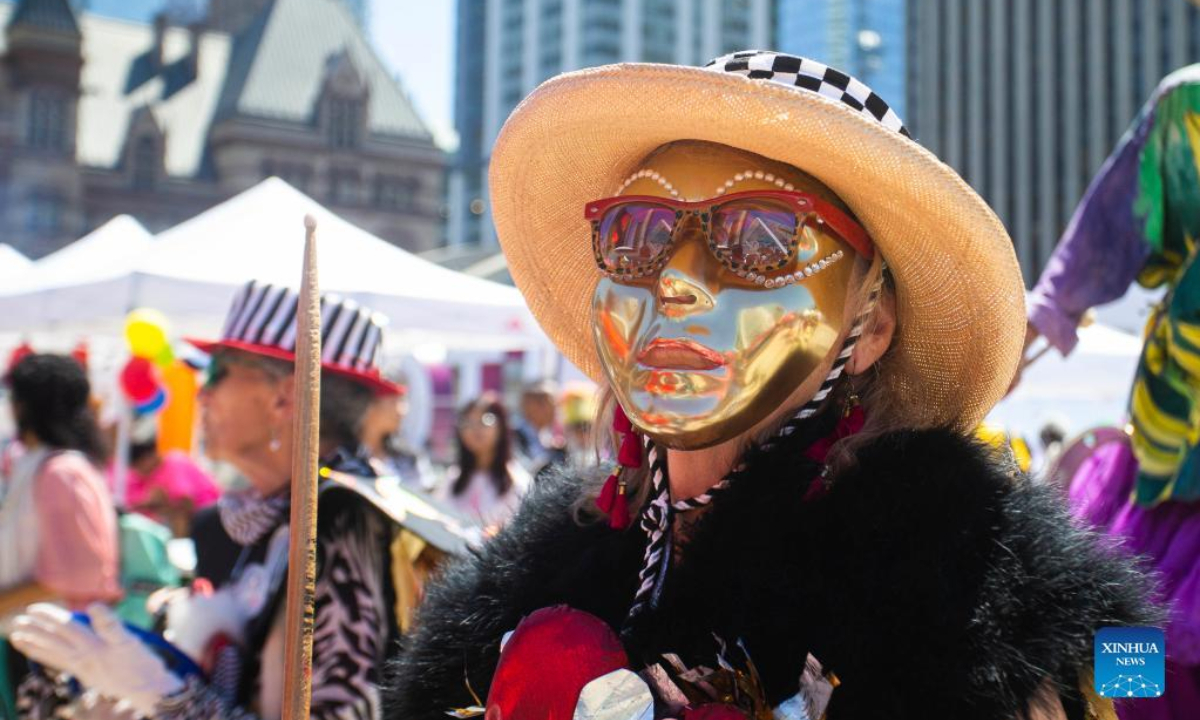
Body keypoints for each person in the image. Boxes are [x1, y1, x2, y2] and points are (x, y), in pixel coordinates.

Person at [386, 51, 1157, 720]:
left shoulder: (963, 611)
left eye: (759, 238)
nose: (677, 282)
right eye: (637, 235)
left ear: (873, 326)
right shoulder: (535, 579)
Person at [11, 282, 466, 720]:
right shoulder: (274, 514)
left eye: (217, 372)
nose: (202, 395)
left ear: (284, 397)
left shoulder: (341, 520)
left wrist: (166, 696)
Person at [1021, 66, 1200, 720]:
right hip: (1175, 434)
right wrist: (1034, 329)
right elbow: (1105, 232)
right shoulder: (1189, 102)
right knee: (1135, 642)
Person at [0, 354, 120, 620]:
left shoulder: (62, 472)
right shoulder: (45, 462)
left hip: (57, 640)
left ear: (21, 406)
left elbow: (72, 573)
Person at [110, 416, 221, 537]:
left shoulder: (173, 462)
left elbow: (186, 502)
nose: (139, 472)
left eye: (139, 467)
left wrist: (161, 504)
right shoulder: (151, 474)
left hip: (209, 516)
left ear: (148, 458)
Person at [436, 394, 531, 529]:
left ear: (502, 427)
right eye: (467, 422)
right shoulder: (453, 478)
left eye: (485, 420)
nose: (475, 429)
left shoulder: (517, 481)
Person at [361, 385, 435, 492]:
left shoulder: (409, 459)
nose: (402, 411)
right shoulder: (343, 459)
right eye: (393, 401)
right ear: (369, 405)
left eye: (402, 401)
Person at [514, 379, 566, 473]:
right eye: (552, 403)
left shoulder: (549, 439)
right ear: (532, 406)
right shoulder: (512, 438)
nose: (556, 410)